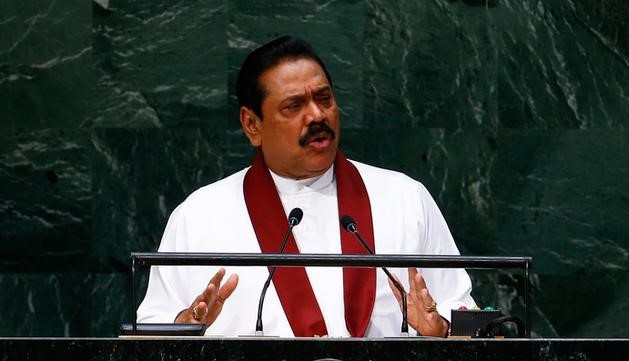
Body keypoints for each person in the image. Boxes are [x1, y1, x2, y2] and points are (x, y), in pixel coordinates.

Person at [137, 36, 476, 337]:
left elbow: (463, 312)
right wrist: (186, 325)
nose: (317, 115)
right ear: (252, 125)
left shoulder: (404, 199)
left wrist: (442, 329)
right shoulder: (200, 216)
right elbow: (151, 333)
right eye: (294, 106)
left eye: (324, 98)